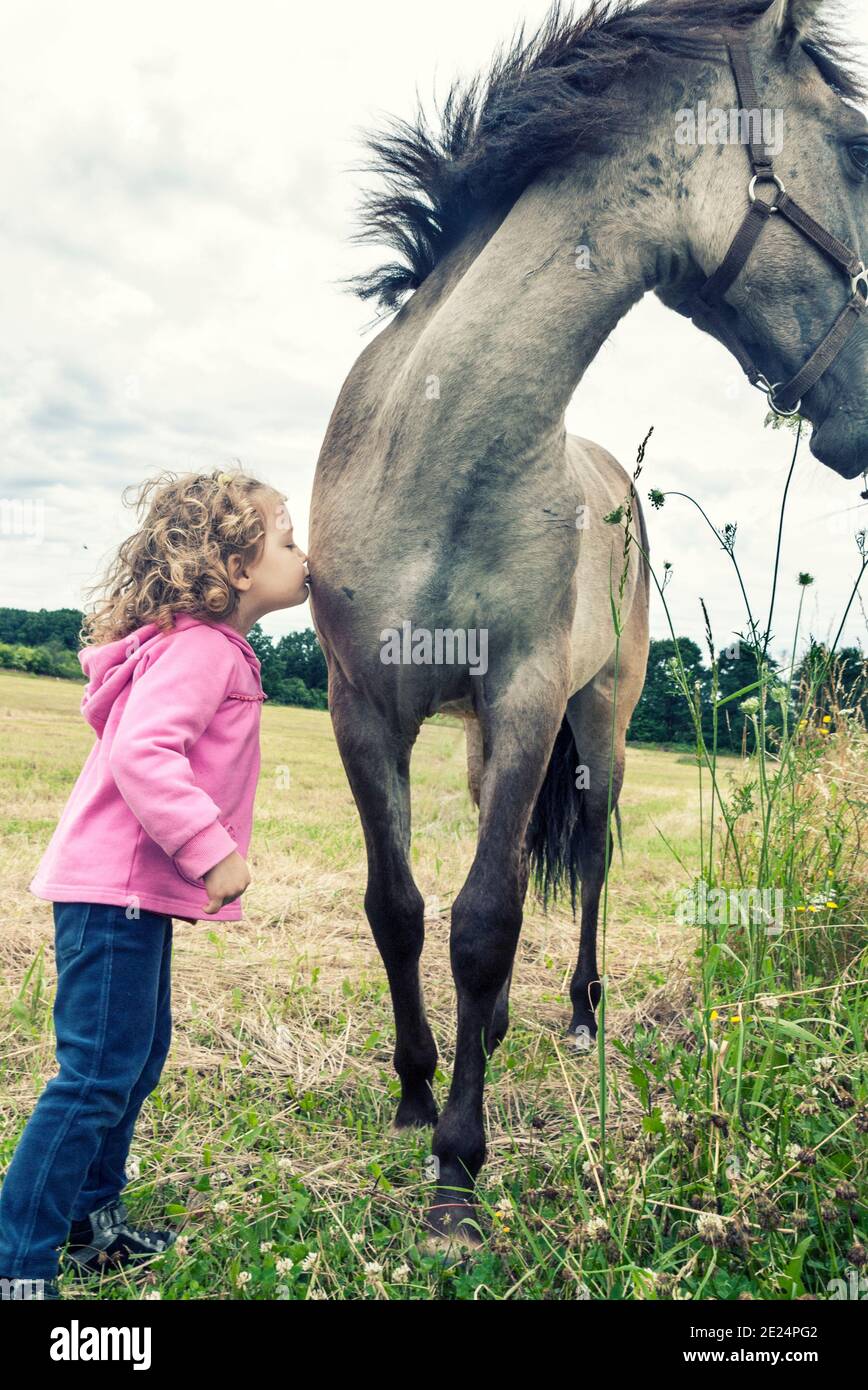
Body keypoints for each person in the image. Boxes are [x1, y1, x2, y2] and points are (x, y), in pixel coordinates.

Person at [0, 467, 310, 1299]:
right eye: (289, 538)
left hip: (125, 892)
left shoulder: (208, 646)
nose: (305, 553)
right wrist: (213, 851)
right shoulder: (202, 649)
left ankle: (89, 1223)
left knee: (133, 1061)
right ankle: (17, 1263)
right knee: (95, 1073)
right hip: (113, 892)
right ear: (239, 570)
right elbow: (144, 753)